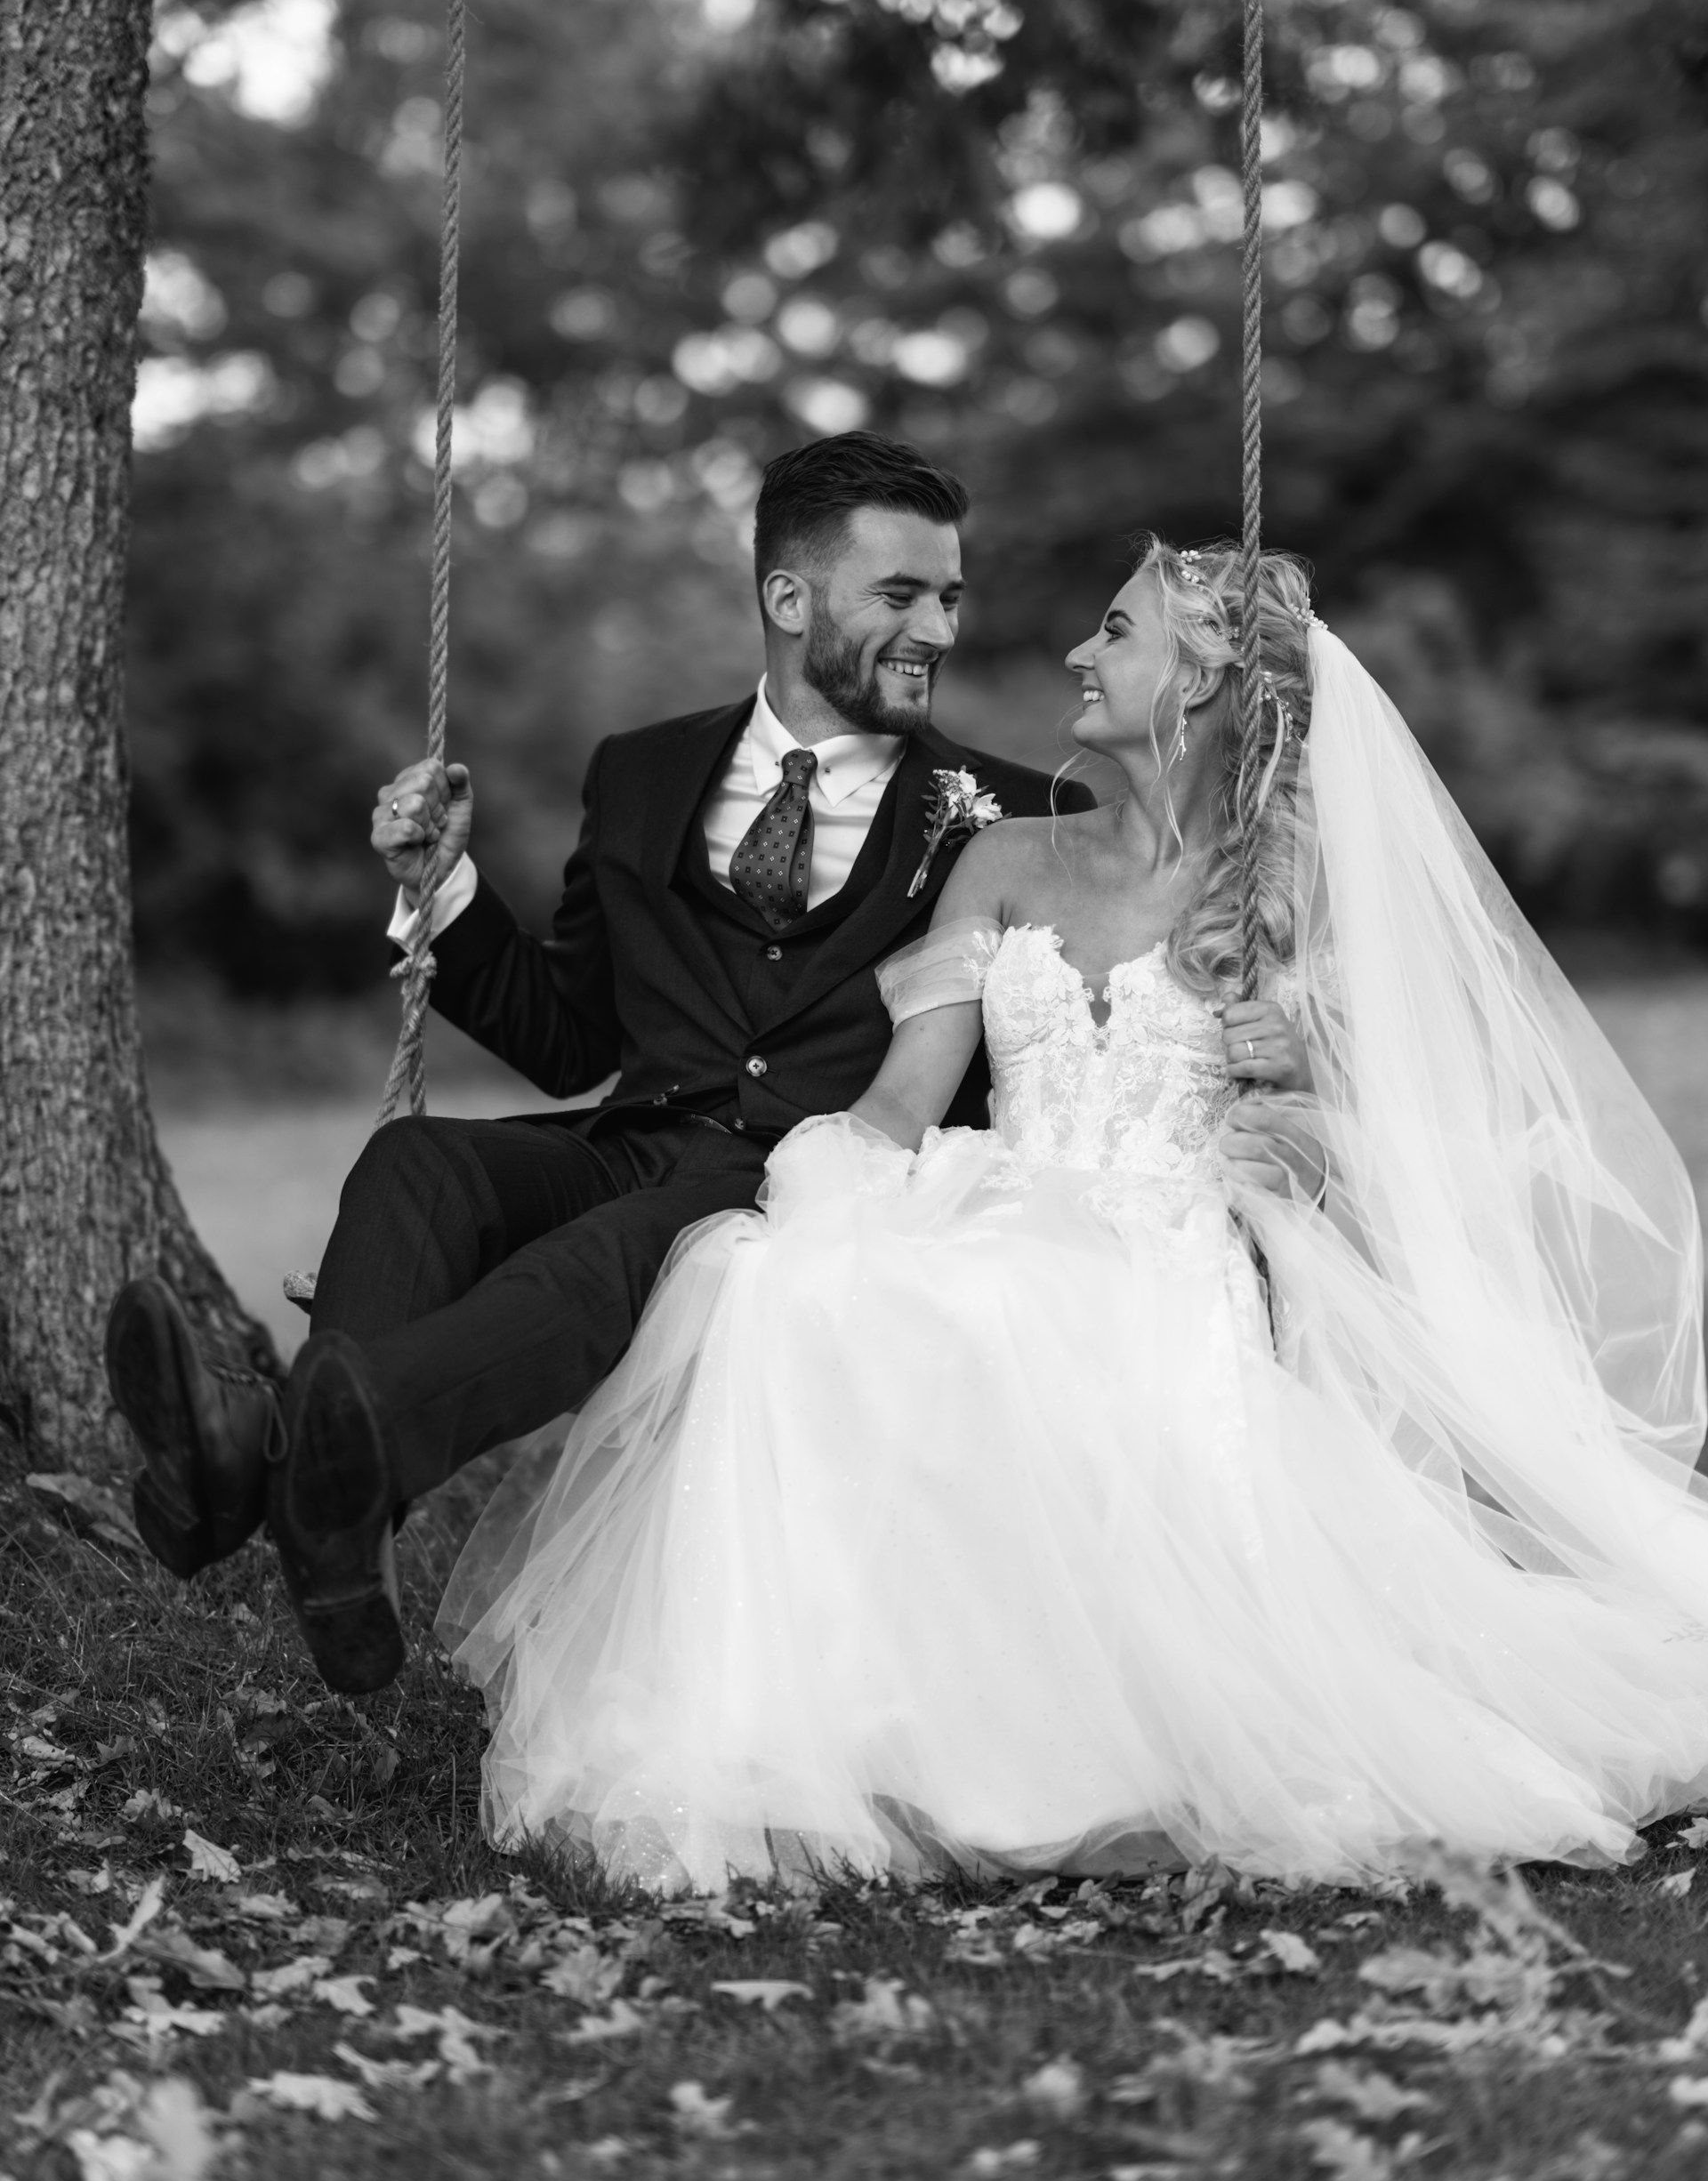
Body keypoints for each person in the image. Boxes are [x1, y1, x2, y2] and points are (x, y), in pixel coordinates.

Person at [439, 537, 1708, 1892]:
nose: (1076, 654)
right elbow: (904, 1099)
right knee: (781, 1285)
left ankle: (1059, 1751)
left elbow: (1382, 1160)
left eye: (1116, 632)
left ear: (1207, 678)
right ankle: (818, 1732)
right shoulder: (999, 859)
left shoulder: (1292, 897)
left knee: (1009, 1307)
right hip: (1000, 1202)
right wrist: (817, 1186)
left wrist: (1308, 1084)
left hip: (1168, 1253)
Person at [105, 432, 1132, 1693]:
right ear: (789, 598)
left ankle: (249, 1463)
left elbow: (1082, 1030)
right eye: (902, 594)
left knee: (626, 1245)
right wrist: (445, 890)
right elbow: (570, 1037)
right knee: (418, 1162)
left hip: (810, 1185)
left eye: (951, 597)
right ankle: (337, 1529)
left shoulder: (1017, 815)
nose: (940, 629)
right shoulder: (641, 773)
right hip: (634, 1136)